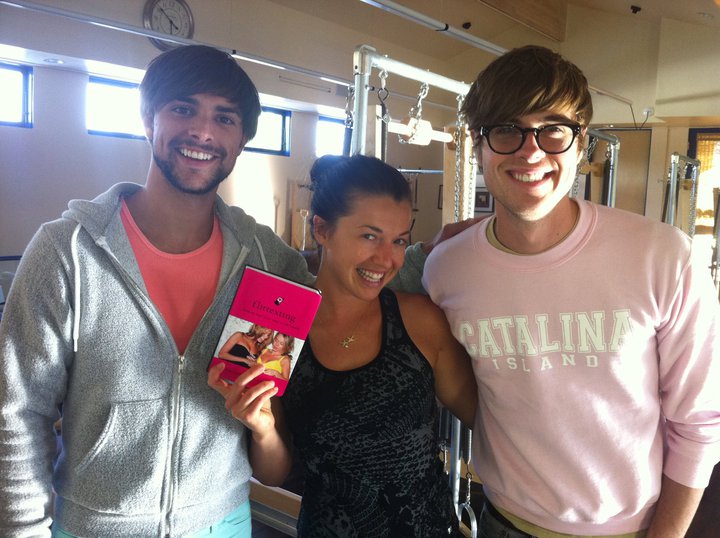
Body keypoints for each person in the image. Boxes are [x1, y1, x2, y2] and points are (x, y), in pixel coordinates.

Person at [0, 45, 311, 537]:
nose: (203, 132)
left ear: (242, 139)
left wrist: (431, 259)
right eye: (183, 109)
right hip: (95, 527)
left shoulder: (266, 258)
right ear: (148, 119)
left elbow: (347, 290)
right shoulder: (67, 252)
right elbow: (18, 412)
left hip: (222, 523)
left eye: (224, 118)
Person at [423, 45, 720, 538]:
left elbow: (701, 423)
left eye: (553, 129)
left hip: (631, 528)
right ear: (478, 144)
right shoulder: (446, 269)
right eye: (506, 129)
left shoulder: (665, 257)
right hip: (499, 521)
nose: (530, 151)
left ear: (581, 144)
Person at [279, 154, 476, 536]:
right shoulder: (282, 329)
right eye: (369, 236)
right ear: (321, 229)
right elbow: (273, 471)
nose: (387, 259)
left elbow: (486, 419)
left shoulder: (420, 322)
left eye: (399, 240)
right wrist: (259, 424)